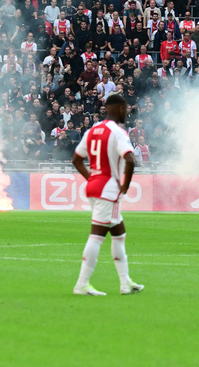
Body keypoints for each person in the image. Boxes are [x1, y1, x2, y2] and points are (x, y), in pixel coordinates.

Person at [71, 94, 144, 296]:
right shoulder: (118, 132)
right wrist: (125, 186)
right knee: (97, 236)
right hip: (108, 189)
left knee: (119, 234)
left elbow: (76, 160)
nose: (127, 112)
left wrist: (92, 178)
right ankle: (82, 284)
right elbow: (130, 160)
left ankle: (125, 282)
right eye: (126, 109)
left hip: (95, 186)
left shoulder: (92, 130)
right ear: (120, 108)